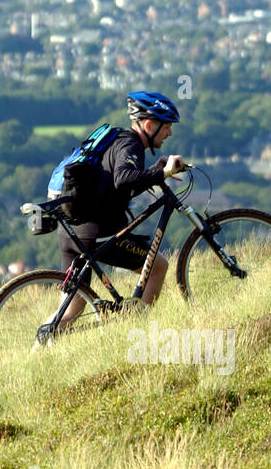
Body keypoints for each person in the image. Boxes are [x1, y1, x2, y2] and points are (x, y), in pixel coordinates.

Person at [57, 91, 186, 319]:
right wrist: (164, 172)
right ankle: (136, 326)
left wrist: (156, 170)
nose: (170, 132)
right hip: (97, 236)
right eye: (166, 126)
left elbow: (120, 186)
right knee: (158, 267)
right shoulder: (131, 145)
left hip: (73, 232)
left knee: (71, 310)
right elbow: (124, 178)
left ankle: (42, 342)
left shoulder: (118, 139)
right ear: (148, 124)